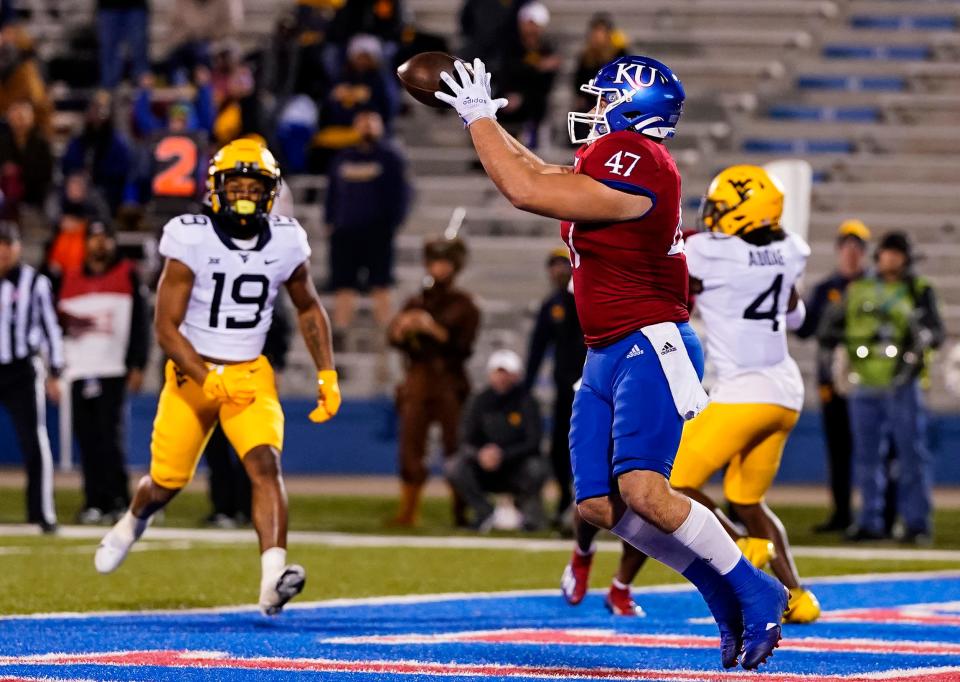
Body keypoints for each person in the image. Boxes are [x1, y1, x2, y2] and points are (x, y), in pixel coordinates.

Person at [434, 54, 787, 670]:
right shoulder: (619, 159)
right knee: (597, 505)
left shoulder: (642, 160)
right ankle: (717, 590)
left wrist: (474, 122)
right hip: (607, 351)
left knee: (647, 492)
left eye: (603, 100)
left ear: (631, 108)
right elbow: (540, 170)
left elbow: (528, 190)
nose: (594, 110)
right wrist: (489, 116)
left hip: (650, 343)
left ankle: (757, 588)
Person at [94, 139, 342, 616]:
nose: (245, 196)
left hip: (250, 373)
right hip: (192, 376)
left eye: (256, 186)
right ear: (216, 190)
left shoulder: (287, 239)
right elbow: (165, 328)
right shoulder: (191, 236)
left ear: (271, 192)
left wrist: (327, 372)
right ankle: (130, 522)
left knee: (265, 466)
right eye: (237, 186)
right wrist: (207, 378)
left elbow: (308, 305)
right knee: (165, 483)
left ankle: (273, 580)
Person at [665, 164, 820, 623]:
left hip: (745, 392)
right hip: (786, 392)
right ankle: (798, 597)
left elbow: (671, 253)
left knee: (671, 479)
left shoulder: (708, 253)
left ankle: (739, 548)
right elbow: (794, 314)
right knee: (747, 498)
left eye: (721, 208)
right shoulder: (791, 249)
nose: (712, 216)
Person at [828, 231, 944, 544]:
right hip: (863, 382)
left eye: (897, 253)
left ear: (906, 258)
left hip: (902, 383)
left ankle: (917, 523)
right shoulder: (860, 288)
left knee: (910, 456)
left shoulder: (919, 290)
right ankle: (870, 521)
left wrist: (919, 348)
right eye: (887, 252)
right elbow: (831, 327)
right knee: (866, 457)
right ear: (879, 256)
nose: (891, 258)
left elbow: (936, 332)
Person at [56, 221, 150, 524]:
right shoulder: (69, 278)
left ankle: (118, 500)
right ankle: (93, 500)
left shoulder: (127, 274)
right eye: (94, 238)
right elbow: (58, 326)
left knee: (111, 439)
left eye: (104, 238)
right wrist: (57, 368)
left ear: (112, 242)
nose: (99, 245)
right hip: (80, 369)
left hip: (112, 369)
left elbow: (140, 323)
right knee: (87, 439)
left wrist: (137, 363)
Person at [387, 236, 480, 527]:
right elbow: (395, 338)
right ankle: (407, 511)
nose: (438, 269)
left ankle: (460, 510)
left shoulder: (464, 304)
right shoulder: (415, 301)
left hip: (448, 380)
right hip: (417, 378)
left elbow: (461, 346)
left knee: (455, 445)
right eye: (434, 263)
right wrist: (401, 329)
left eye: (444, 263)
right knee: (410, 445)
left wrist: (430, 327)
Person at [794, 219, 871, 533]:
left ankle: (875, 516)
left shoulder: (874, 287)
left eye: (857, 247)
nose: (851, 253)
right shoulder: (826, 289)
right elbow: (804, 329)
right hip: (832, 381)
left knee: (872, 451)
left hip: (868, 380)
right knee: (839, 451)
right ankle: (842, 514)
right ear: (839, 250)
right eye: (847, 246)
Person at [0, 221, 63, 533]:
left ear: (18, 247)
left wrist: (56, 371)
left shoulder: (33, 282)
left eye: (7, 244)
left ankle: (42, 513)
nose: (2, 251)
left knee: (35, 441)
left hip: (22, 370)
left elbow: (51, 327)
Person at [326, 109, 411, 337]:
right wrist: (330, 221)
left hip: (378, 233)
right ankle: (341, 334)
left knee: (381, 284)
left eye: (372, 121)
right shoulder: (342, 158)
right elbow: (332, 194)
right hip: (345, 233)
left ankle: (387, 335)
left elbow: (401, 194)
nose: (367, 126)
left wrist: (392, 222)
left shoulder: (390, 157)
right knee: (343, 285)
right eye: (362, 121)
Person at [446, 349, 545, 531]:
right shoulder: (479, 401)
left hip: (516, 466)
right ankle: (484, 512)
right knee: (454, 466)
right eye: (498, 373)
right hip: (484, 467)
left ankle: (529, 515)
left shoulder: (527, 402)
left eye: (506, 373)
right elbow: (465, 439)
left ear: (516, 375)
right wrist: (480, 455)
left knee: (536, 468)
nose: (501, 378)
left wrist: (503, 455)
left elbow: (533, 441)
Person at [495, 2, 560, 149]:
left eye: (534, 24)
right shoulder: (511, 46)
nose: (531, 28)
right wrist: (538, 66)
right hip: (509, 95)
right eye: (528, 23)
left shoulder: (547, 48)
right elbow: (508, 72)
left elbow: (545, 83)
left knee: (538, 105)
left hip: (533, 99)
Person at [61, 91, 133, 216]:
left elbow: (121, 172)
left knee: (97, 198)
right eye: (93, 108)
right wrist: (78, 177)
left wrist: (96, 175)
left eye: (101, 109)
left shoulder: (117, 142)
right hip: (77, 188)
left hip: (106, 190)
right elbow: (67, 166)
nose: (97, 114)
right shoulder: (78, 140)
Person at [0, 99, 53, 224]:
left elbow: (47, 173)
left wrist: (19, 171)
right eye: (15, 115)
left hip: (34, 194)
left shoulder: (42, 142)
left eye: (23, 116)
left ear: (31, 117)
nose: (19, 120)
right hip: (6, 195)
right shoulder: (3, 140)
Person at [571, 13, 628, 114]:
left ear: (608, 33)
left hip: (614, 102)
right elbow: (579, 83)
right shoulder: (586, 56)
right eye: (595, 31)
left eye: (600, 31)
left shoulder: (620, 55)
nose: (597, 35)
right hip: (591, 103)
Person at [96, 0, 150, 88]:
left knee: (139, 46)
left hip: (136, 5)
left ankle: (144, 86)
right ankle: (108, 87)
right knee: (109, 49)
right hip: (108, 6)